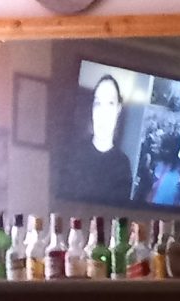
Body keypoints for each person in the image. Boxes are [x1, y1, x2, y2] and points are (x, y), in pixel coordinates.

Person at [57, 73, 137, 204]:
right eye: (98, 103)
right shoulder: (73, 154)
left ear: (118, 109)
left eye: (110, 103)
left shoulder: (122, 164)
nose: (103, 113)